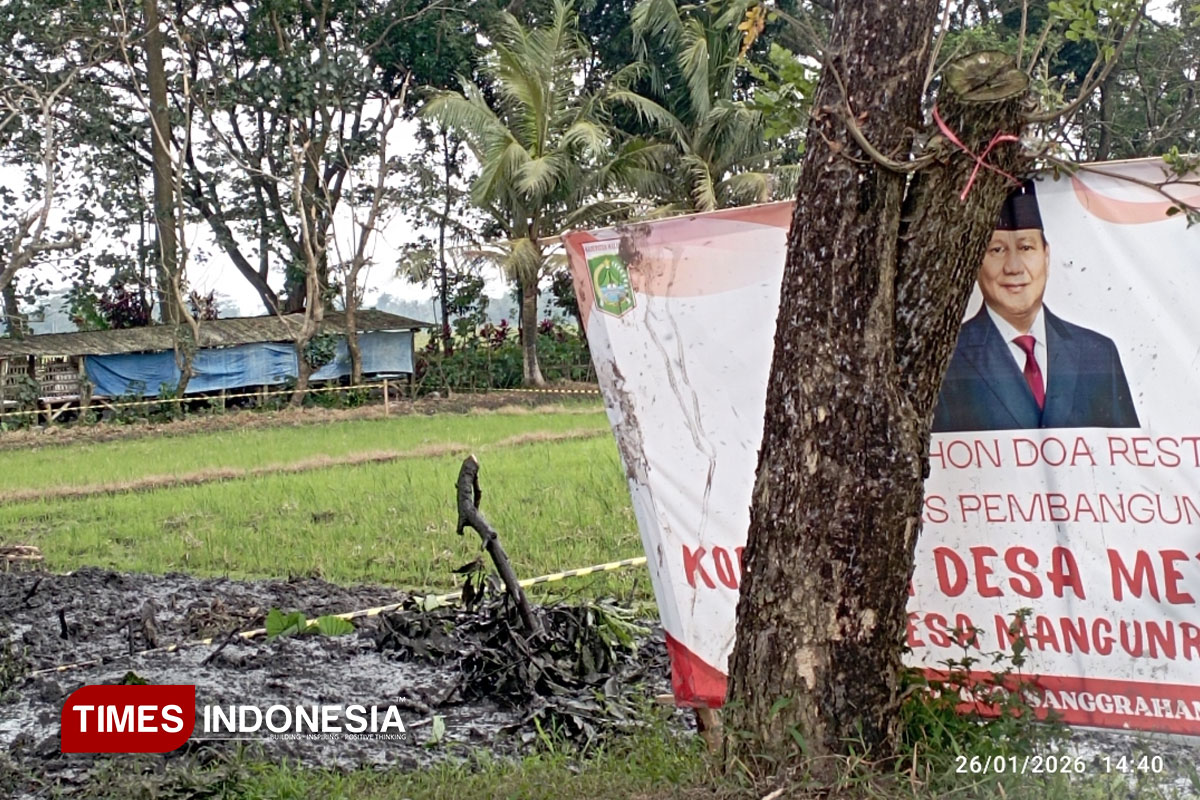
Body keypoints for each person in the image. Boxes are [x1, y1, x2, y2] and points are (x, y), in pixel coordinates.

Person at [932, 180, 1139, 433]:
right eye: (996, 250)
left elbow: (1126, 455)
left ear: (1046, 256)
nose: (1014, 267)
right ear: (975, 262)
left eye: (1026, 247)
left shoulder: (1097, 352)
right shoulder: (946, 357)